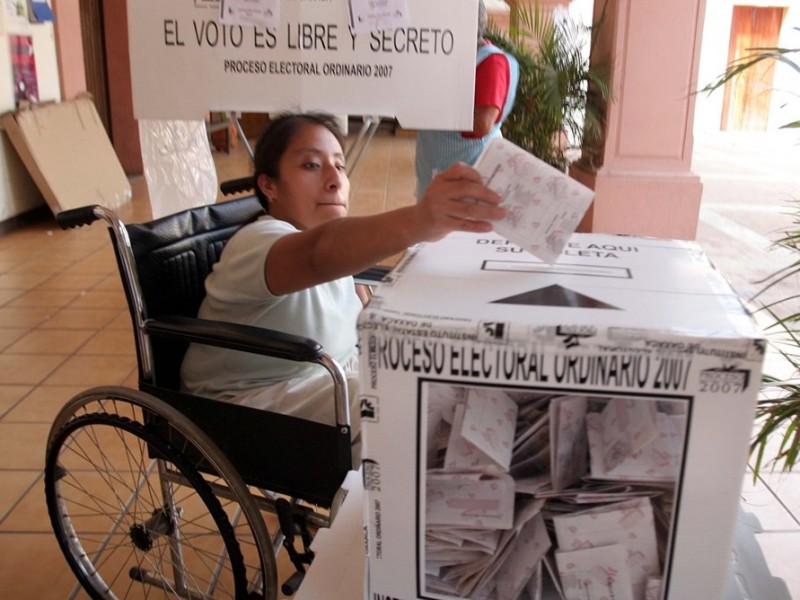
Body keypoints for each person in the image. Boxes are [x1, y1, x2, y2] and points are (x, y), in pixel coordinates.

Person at [180, 112, 505, 456]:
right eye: (311, 165)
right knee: (414, 410)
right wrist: (420, 220)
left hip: (331, 377)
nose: (335, 180)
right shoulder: (259, 242)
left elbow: (356, 297)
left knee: (446, 382)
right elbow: (317, 254)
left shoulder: (341, 254)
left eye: (340, 165)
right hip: (248, 401)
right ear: (269, 185)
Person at [415, 0, 520, 199]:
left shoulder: (491, 62)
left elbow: (481, 125)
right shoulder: (446, 56)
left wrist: (429, 109)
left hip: (472, 171)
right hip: (436, 169)